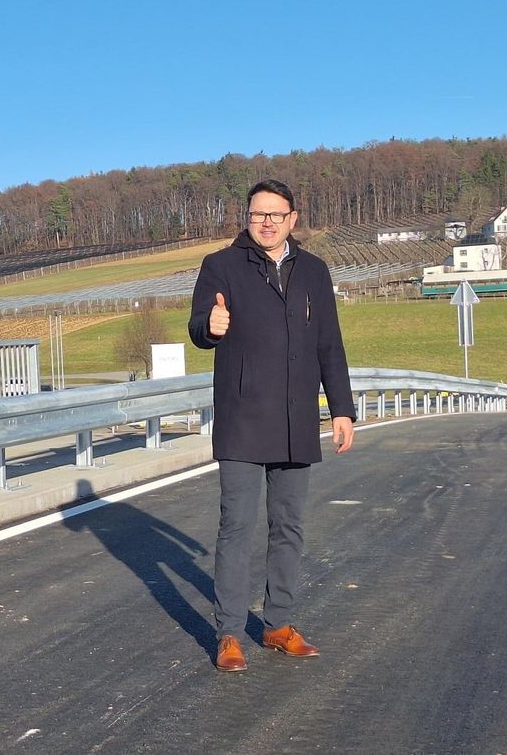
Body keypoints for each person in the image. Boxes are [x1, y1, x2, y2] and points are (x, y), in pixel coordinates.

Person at [188, 179, 356, 672]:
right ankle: (230, 634)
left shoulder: (314, 271)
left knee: (289, 527)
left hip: (295, 417)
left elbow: (330, 344)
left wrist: (341, 409)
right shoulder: (220, 265)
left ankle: (279, 624)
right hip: (242, 418)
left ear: (292, 219)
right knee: (236, 528)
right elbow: (200, 325)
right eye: (258, 214)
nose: (266, 222)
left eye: (276, 215)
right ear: (247, 217)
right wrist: (209, 327)